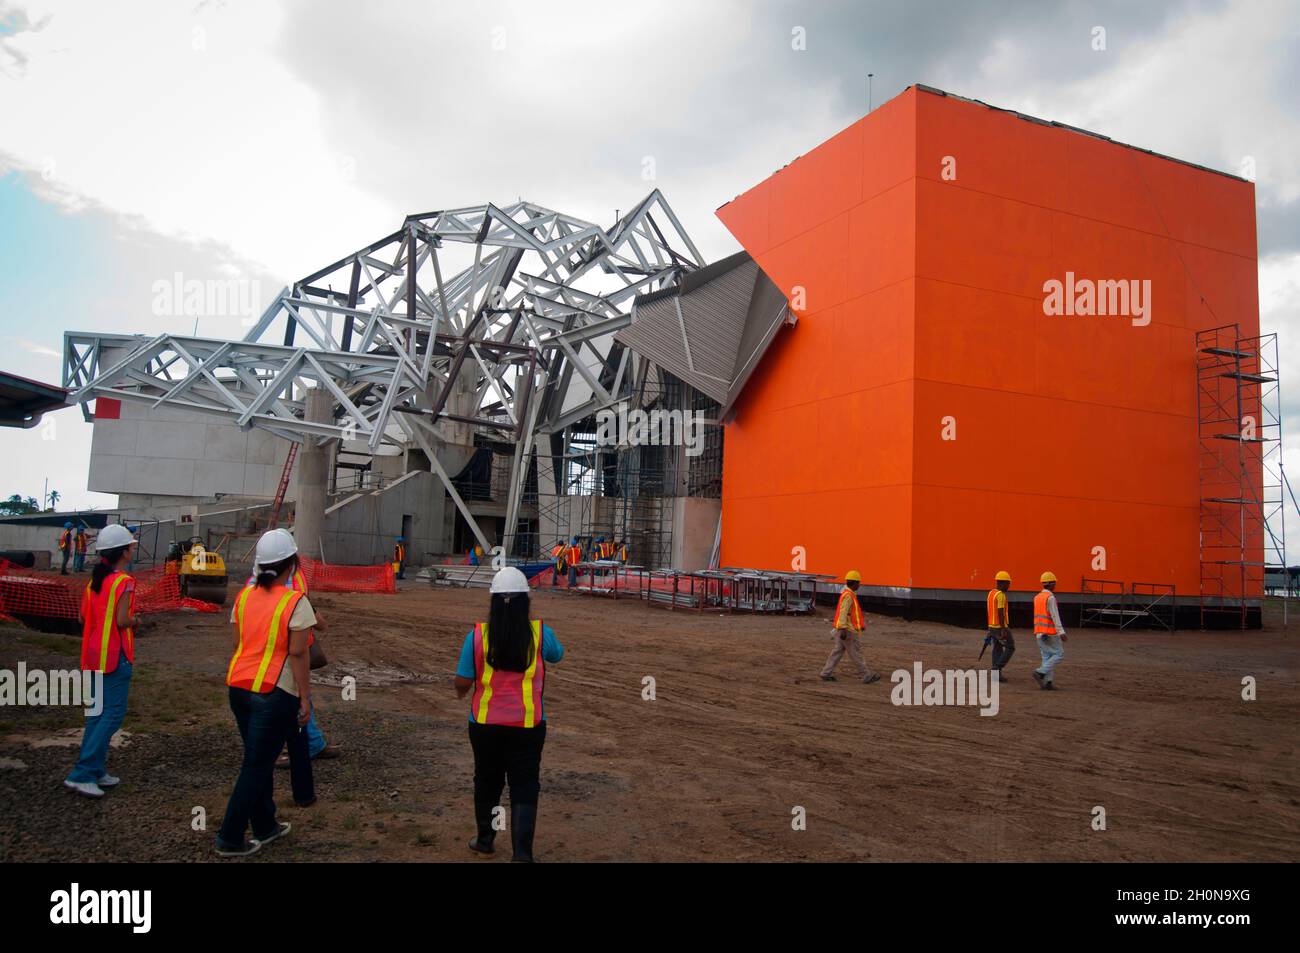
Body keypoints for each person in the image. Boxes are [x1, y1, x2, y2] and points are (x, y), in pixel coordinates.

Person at [215, 528, 317, 857]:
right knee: (256, 766)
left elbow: (236, 643)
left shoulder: (244, 597)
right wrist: (304, 696)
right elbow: (299, 655)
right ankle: (230, 837)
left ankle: (265, 825)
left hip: (239, 687)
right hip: (273, 692)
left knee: (257, 760)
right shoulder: (295, 603)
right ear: (292, 564)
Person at [454, 567, 564, 862]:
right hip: (528, 724)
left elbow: (463, 680)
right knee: (525, 783)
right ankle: (522, 854)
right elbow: (557, 654)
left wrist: (462, 691)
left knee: (487, 781)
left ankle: (485, 840)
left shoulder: (477, 636)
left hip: (485, 725)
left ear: (492, 602)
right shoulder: (541, 634)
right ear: (526, 601)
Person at [64, 523, 138, 798]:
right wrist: (136, 620)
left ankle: (94, 769)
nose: (133, 548)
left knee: (96, 714)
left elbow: (83, 618)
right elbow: (122, 620)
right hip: (114, 655)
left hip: (92, 654)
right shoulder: (123, 582)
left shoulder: (93, 583)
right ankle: (82, 773)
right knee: (112, 714)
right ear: (122, 551)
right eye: (130, 546)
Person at [273, 563, 340, 780]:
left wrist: (314, 618)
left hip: (293, 643)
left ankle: (311, 743)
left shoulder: (293, 574)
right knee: (292, 697)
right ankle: (294, 747)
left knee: (299, 697)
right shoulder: (284, 576)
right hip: (284, 645)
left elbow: (304, 602)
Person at [819, 570, 880, 684]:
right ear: (854, 583)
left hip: (843, 629)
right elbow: (843, 613)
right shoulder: (849, 596)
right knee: (855, 653)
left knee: (837, 652)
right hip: (847, 631)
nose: (859, 585)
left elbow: (849, 614)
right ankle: (866, 675)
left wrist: (857, 626)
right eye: (858, 583)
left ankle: (825, 673)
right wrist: (843, 629)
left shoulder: (848, 595)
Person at [1032, 571, 1067, 690]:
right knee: (1059, 654)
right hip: (1050, 633)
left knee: (1047, 657)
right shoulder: (1050, 598)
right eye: (1055, 583)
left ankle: (1047, 682)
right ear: (1051, 584)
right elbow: (1055, 616)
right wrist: (1061, 632)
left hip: (1039, 633)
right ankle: (1040, 672)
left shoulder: (1037, 597)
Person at [986, 570, 1015, 681]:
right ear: (1003, 583)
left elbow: (990, 611)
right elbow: (1000, 612)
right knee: (1010, 647)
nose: (1009, 587)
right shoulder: (1001, 595)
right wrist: (1003, 629)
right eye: (1008, 584)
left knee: (997, 648)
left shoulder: (991, 593)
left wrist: (990, 628)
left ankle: (996, 676)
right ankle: (996, 668)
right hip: (1000, 627)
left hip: (992, 626)